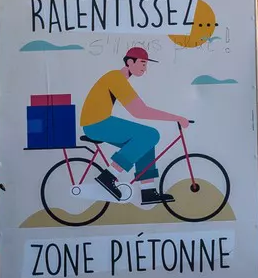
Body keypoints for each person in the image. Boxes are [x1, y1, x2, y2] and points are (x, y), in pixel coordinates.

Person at [81, 46, 193, 202]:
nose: (144, 68)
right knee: (150, 134)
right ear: (129, 62)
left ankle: (147, 191)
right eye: (142, 63)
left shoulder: (119, 79)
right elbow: (139, 111)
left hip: (99, 122)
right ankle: (109, 175)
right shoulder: (116, 79)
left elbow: (138, 110)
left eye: (146, 64)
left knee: (145, 142)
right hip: (96, 124)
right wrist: (177, 118)